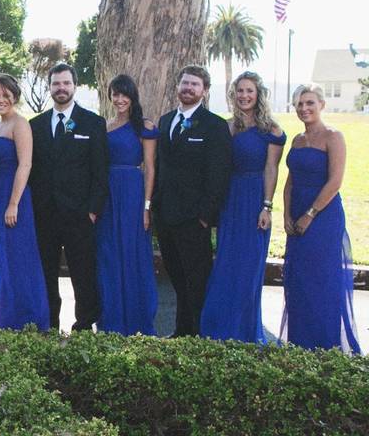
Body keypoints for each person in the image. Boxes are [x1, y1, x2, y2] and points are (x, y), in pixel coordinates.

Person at [201, 71, 285, 343]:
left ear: (258, 94)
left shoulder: (271, 130)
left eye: (249, 91)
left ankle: (244, 331)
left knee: (249, 268)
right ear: (233, 95)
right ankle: (220, 327)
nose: (244, 96)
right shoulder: (227, 127)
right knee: (226, 264)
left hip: (255, 202)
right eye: (239, 91)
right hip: (231, 200)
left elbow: (271, 169)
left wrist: (267, 206)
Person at [280, 84, 361, 353]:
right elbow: (290, 182)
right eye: (299, 104)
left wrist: (310, 214)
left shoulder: (333, 136)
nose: (304, 108)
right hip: (297, 214)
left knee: (322, 282)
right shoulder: (297, 141)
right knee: (299, 280)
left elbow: (335, 181)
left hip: (323, 216)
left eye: (309, 103)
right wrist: (288, 214)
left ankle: (325, 348)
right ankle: (300, 345)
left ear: (322, 105)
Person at [153, 65, 231, 337]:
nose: (188, 88)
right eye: (185, 83)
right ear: (178, 86)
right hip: (165, 216)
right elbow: (159, 167)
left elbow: (218, 174)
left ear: (205, 91)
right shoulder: (165, 121)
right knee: (177, 278)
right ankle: (181, 332)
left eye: (195, 85)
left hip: (194, 219)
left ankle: (199, 335)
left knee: (197, 281)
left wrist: (205, 216)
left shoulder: (215, 126)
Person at [29, 62, 108, 331]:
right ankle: (49, 324)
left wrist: (92, 209)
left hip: (79, 214)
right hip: (45, 214)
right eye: (56, 84)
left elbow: (100, 171)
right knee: (46, 273)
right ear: (49, 87)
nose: (61, 88)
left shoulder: (93, 123)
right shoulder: (35, 125)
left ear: (74, 86)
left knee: (83, 273)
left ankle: (85, 325)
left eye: (66, 83)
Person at [95, 74, 159, 336]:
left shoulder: (144, 126)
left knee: (133, 254)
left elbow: (151, 168)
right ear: (110, 96)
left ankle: (136, 318)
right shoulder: (104, 126)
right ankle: (111, 319)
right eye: (115, 94)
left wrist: (146, 206)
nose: (119, 99)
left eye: (124, 94)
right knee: (108, 255)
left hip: (132, 193)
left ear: (132, 96)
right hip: (108, 194)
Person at [0, 74, 50, 330]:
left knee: (20, 261)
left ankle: (29, 321)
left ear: (15, 96)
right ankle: (8, 321)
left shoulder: (20, 124)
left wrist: (13, 203)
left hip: (15, 198)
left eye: (5, 95)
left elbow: (25, 164)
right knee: (3, 262)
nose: (0, 100)